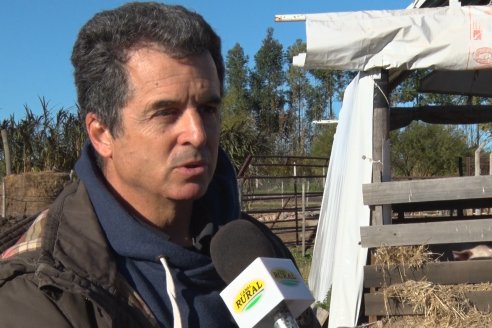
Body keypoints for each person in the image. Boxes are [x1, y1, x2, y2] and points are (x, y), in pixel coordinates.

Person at [0, 2, 319, 327]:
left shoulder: (251, 249)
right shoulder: (47, 289)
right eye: (165, 112)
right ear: (102, 133)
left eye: (208, 109)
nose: (197, 134)